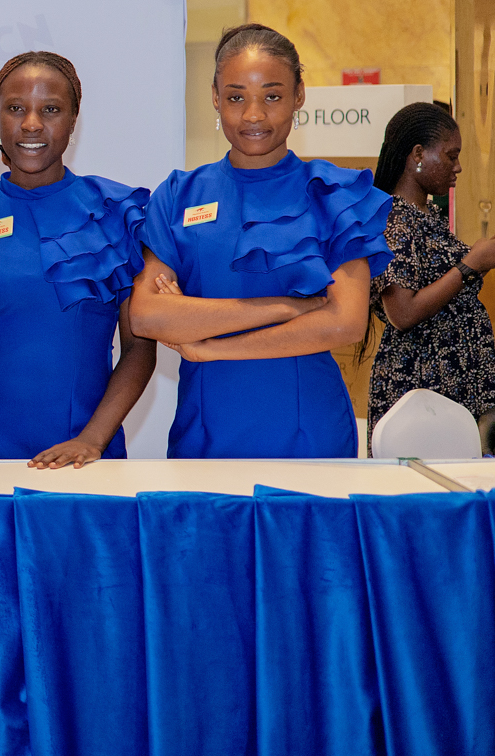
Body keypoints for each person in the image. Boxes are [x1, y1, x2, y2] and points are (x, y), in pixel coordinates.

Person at [131, 24, 391, 457]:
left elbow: (345, 322)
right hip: (205, 433)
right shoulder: (179, 196)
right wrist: (291, 306)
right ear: (215, 97)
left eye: (272, 96)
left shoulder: (334, 195)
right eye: (236, 97)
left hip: (309, 432)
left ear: (299, 96)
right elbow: (147, 315)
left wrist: (211, 348)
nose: (253, 115)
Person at [0, 52, 156, 466]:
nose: (31, 124)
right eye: (15, 109)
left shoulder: (118, 214)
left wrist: (93, 440)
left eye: (50, 109)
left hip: (85, 464)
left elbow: (139, 349)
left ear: (73, 120)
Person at [364, 101, 495, 434]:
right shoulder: (395, 221)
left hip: (446, 386)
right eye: (451, 156)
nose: (459, 167)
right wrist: (470, 265)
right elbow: (403, 313)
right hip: (421, 389)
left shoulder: (425, 218)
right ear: (418, 154)